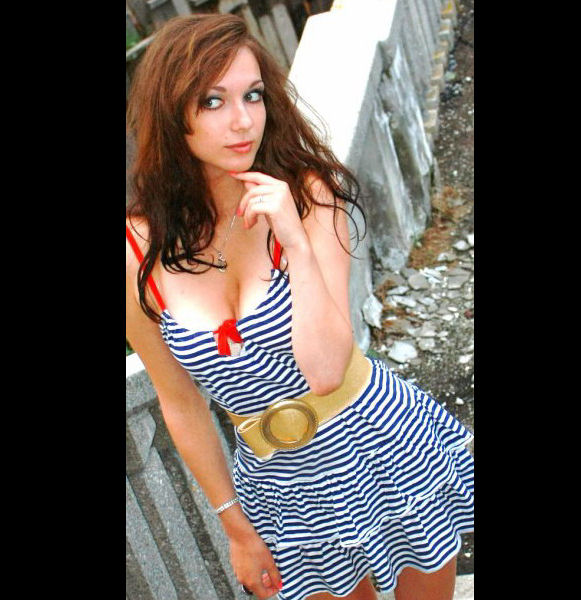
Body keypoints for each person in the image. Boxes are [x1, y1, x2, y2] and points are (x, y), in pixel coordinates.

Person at [126, 13, 473, 600]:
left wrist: (295, 243)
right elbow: (179, 403)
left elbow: (326, 368)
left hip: (380, 444)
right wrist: (235, 527)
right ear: (170, 112)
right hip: (280, 490)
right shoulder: (137, 249)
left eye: (253, 95)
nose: (243, 121)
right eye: (212, 101)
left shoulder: (309, 194)